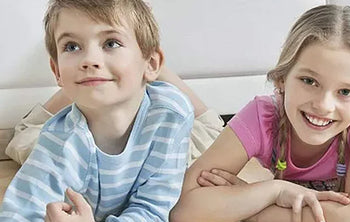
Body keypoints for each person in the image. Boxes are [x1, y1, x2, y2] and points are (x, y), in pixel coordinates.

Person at [0, 0, 197, 222]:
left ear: (152, 63)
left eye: (111, 43)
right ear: (57, 72)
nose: (90, 59)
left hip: (176, 125)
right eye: (72, 46)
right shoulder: (58, 147)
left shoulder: (173, 113)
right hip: (65, 142)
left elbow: (154, 214)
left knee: (208, 133)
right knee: (29, 141)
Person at [170, 4, 350, 222]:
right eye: (309, 81)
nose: (323, 105)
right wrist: (273, 190)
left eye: (345, 92)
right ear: (282, 78)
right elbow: (182, 210)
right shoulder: (263, 116)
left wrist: (245, 202)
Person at [5, 66, 224, 166]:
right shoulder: (171, 149)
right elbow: (212, 129)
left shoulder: (59, 149)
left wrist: (80, 81)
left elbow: (25, 132)